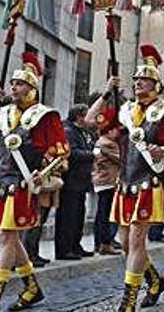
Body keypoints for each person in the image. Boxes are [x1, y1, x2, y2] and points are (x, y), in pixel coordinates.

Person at [86, 45, 164, 311]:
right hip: (125, 183)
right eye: (135, 81)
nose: (137, 84)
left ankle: (128, 299)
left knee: (135, 240)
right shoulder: (126, 112)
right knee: (124, 242)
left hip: (150, 182)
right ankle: (154, 280)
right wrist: (109, 91)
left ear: (155, 83)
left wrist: (163, 149)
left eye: (142, 80)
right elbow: (90, 119)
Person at [0, 52, 69, 312]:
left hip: (22, 184)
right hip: (0, 183)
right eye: (12, 83)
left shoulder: (45, 116)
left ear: (32, 87)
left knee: (6, 237)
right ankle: (32, 288)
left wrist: (42, 171)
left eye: (20, 83)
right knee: (11, 240)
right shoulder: (2, 114)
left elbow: (61, 151)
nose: (13, 87)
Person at [54, 105, 94, 260]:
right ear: (79, 116)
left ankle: (75, 245)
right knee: (67, 216)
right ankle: (64, 249)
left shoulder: (80, 132)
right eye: (85, 115)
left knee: (78, 215)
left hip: (80, 181)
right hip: (71, 181)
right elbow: (73, 153)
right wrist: (92, 154)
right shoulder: (69, 131)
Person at [91, 108, 122, 255]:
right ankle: (104, 243)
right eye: (115, 130)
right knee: (105, 214)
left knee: (101, 214)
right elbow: (120, 160)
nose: (118, 133)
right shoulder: (107, 143)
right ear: (109, 131)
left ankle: (101, 242)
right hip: (107, 181)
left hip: (103, 181)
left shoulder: (101, 142)